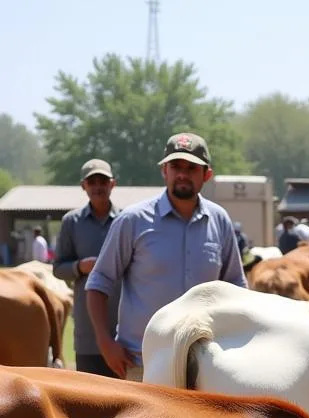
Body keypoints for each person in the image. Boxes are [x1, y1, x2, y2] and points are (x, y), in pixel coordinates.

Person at [86, 132, 246, 380]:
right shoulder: (132, 220)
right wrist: (105, 342)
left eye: (191, 167)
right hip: (143, 363)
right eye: (175, 166)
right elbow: (98, 283)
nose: (182, 174)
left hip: (206, 366)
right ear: (164, 171)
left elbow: (236, 286)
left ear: (207, 175)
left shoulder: (219, 221)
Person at [53, 158, 122, 377]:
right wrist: (79, 267)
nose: (98, 187)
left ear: (113, 184)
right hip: (87, 328)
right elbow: (58, 268)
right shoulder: (71, 222)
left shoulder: (126, 221)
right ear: (84, 186)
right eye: (92, 182)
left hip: (124, 325)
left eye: (103, 181)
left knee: (125, 399)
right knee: (89, 398)